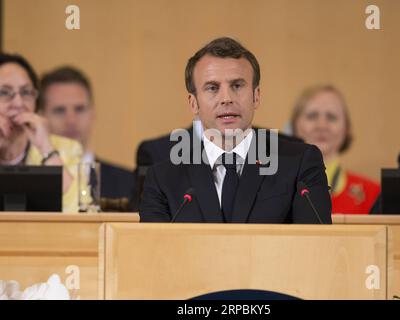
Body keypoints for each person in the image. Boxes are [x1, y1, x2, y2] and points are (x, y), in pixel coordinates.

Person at [139, 37, 331, 223]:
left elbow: (315, 247)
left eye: (237, 86)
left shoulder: (300, 163)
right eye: (212, 88)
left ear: (256, 96)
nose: (226, 98)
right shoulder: (162, 179)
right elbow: (155, 253)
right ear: (193, 103)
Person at [0, 53, 82, 212]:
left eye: (26, 92)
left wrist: (46, 149)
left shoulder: (67, 148)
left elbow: (80, 212)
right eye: (4, 92)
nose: (18, 103)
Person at [38, 66, 134, 200]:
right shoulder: (28, 182)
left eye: (79, 109)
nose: (71, 120)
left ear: (92, 114)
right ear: (41, 117)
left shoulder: (129, 183)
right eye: (59, 110)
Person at [291, 85, 380, 214]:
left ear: (346, 128)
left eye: (331, 117)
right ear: (294, 125)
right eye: (312, 116)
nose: (322, 125)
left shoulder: (373, 195)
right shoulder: (276, 192)